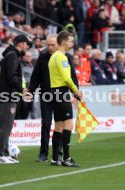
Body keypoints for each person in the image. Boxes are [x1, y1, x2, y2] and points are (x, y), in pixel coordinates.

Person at [29, 34, 79, 162]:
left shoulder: (66, 56)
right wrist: (31, 91)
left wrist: (75, 92)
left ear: (58, 43)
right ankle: (44, 153)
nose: (50, 47)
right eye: (48, 45)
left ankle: (58, 153)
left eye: (52, 45)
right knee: (47, 123)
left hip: (58, 93)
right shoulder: (44, 56)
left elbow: (73, 75)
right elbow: (36, 76)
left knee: (60, 124)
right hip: (47, 94)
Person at [0, 34, 32, 164]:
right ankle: (0, 155)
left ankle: (4, 153)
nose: (27, 47)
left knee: (6, 125)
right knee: (6, 126)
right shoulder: (12, 56)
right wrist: (22, 90)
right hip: (8, 95)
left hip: (8, 94)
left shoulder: (11, 55)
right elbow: (12, 76)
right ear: (20, 43)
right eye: (27, 44)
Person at [48, 31, 81, 167]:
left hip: (54, 91)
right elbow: (67, 78)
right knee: (68, 125)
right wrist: (75, 91)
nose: (71, 44)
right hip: (61, 92)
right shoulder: (62, 57)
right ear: (63, 42)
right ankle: (66, 158)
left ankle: (56, 159)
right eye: (70, 41)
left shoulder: (53, 57)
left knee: (59, 126)